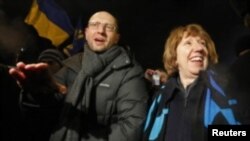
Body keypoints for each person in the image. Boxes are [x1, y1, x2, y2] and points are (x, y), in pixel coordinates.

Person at [9, 11, 149, 141]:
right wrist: (36, 95)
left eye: (109, 27)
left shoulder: (130, 71)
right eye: (95, 25)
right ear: (86, 33)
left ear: (117, 38)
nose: (101, 31)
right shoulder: (70, 65)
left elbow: (132, 126)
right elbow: (40, 119)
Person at [143, 24, 240, 141]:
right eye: (188, 43)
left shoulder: (226, 89)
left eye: (203, 43)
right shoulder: (160, 98)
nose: (199, 48)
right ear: (175, 59)